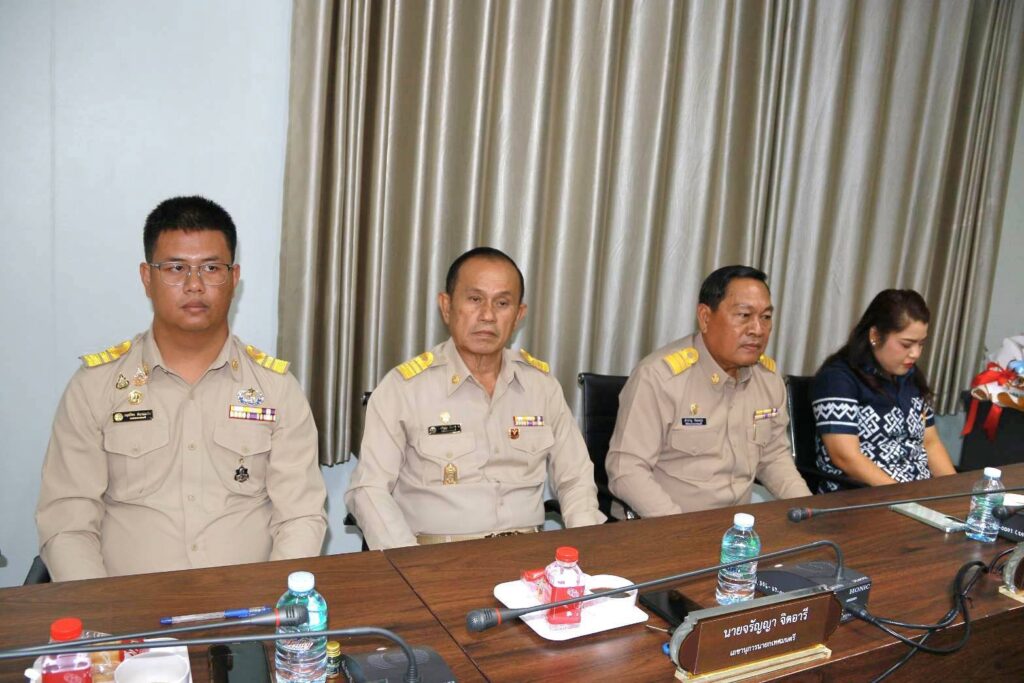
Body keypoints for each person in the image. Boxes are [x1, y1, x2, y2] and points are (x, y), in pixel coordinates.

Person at [35, 196, 327, 581]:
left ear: (234, 278)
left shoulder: (276, 389)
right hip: (127, 607)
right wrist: (104, 610)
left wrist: (272, 603)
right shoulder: (95, 387)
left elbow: (300, 517)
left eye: (211, 268)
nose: (194, 285)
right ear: (147, 277)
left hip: (249, 606)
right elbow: (67, 522)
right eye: (175, 268)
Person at [345, 247, 605, 549]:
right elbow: (368, 490)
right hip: (436, 557)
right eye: (474, 299)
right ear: (446, 306)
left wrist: (586, 551)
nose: (488, 316)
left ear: (518, 315)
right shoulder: (404, 389)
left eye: (502, 303)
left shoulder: (542, 387)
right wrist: (409, 563)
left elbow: (575, 480)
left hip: (529, 557)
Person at [606, 265, 811, 517]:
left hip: (736, 530)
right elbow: (627, 471)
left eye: (766, 317)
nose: (757, 330)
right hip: (663, 524)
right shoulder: (659, 378)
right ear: (705, 317)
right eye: (744, 315)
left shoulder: (768, 380)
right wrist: (684, 529)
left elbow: (774, 457)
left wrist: (808, 510)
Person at [811, 289, 956, 492]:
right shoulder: (837, 379)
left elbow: (930, 443)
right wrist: (904, 498)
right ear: (875, 336)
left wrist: (956, 491)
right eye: (906, 344)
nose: (915, 353)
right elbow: (845, 457)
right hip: (862, 497)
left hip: (917, 493)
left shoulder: (910, 376)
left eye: (921, 344)